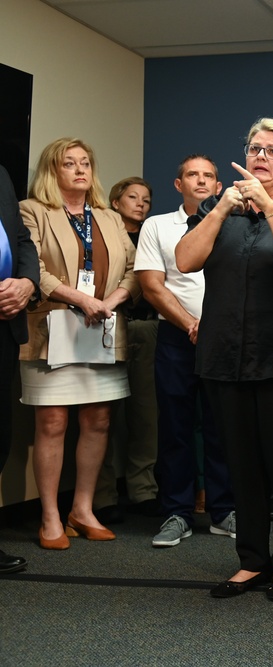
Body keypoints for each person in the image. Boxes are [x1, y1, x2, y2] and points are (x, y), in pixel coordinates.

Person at [175, 118, 273, 602]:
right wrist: (221, 207)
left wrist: (268, 206)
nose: (260, 156)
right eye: (253, 148)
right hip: (227, 357)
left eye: (272, 150)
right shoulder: (215, 207)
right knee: (240, 465)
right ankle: (251, 562)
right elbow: (184, 260)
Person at [19, 138, 140, 550]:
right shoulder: (32, 211)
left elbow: (134, 270)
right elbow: (31, 269)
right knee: (52, 423)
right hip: (53, 329)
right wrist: (81, 298)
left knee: (99, 420)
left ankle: (82, 509)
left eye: (85, 162)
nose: (79, 169)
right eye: (69, 163)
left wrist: (109, 301)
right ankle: (50, 515)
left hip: (101, 327)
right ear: (52, 171)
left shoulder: (108, 216)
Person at [135, 154, 236, 548]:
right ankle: (175, 513)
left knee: (221, 427)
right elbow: (152, 286)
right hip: (178, 339)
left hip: (224, 339)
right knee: (175, 428)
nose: (200, 180)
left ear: (218, 186)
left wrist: (212, 327)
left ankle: (223, 510)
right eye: (192, 175)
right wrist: (191, 324)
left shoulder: (234, 223)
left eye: (208, 175)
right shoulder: (157, 225)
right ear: (179, 185)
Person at [92, 177, 161, 524]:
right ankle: (102, 494)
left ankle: (143, 490)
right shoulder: (99, 234)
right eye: (133, 197)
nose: (140, 204)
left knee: (145, 414)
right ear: (115, 201)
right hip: (104, 325)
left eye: (146, 199)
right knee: (101, 415)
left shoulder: (152, 234)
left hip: (147, 326)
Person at [0, 164, 39, 572]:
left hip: (6, 324)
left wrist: (27, 283)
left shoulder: (1, 176)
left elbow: (21, 240)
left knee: (0, 436)